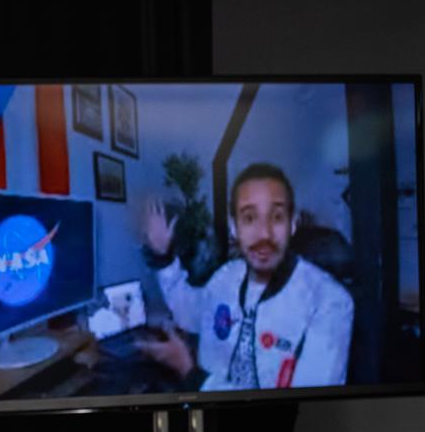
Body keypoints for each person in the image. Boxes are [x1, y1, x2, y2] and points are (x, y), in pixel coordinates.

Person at [137, 163, 354, 391]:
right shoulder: (227, 277)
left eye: (277, 217)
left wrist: (191, 373)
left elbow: (306, 411)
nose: (264, 234)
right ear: (234, 228)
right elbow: (190, 313)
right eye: (249, 218)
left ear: (292, 224)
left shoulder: (330, 302)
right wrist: (164, 258)